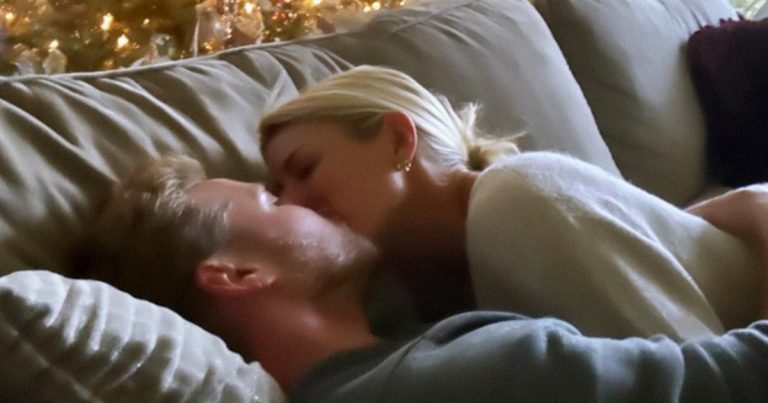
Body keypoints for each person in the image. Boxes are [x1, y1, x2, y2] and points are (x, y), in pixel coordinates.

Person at [75, 154, 768, 401]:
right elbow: (732, 382)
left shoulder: (405, 357)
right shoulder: (456, 379)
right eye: (272, 199)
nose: (304, 202)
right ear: (237, 272)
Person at [259, 65, 768, 341]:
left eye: (304, 170)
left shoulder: (513, 200)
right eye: (277, 194)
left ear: (398, 139)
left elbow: (712, 383)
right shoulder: (415, 299)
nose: (293, 207)